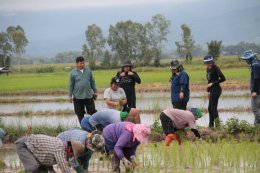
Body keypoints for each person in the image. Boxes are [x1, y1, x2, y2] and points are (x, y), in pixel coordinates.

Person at [15, 134, 85, 173]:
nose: (71, 156)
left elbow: (47, 158)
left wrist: (52, 171)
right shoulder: (60, 148)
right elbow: (64, 167)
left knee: (43, 170)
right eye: (72, 154)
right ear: (70, 150)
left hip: (32, 149)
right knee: (33, 167)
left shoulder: (62, 146)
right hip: (24, 145)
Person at [68, 56, 98, 123]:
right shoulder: (73, 73)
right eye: (81, 63)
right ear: (77, 64)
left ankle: (96, 126)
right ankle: (83, 127)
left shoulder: (88, 71)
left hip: (88, 95)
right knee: (79, 113)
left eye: (83, 63)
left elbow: (92, 81)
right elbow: (71, 85)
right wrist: (70, 96)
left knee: (92, 111)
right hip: (78, 97)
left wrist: (95, 91)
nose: (83, 64)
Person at [204, 55, 226, 128]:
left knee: (213, 108)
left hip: (216, 90)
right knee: (210, 108)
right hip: (211, 90)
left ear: (212, 61)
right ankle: (211, 125)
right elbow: (209, 81)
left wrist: (213, 83)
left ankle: (218, 126)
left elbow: (223, 78)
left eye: (210, 62)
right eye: (207, 63)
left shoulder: (215, 68)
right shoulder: (208, 69)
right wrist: (208, 91)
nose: (209, 64)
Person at [240, 50, 260, 125]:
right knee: (258, 108)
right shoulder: (257, 62)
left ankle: (258, 124)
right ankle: (257, 124)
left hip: (257, 91)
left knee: (254, 108)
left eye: (246, 59)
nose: (246, 61)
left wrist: (254, 91)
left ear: (250, 58)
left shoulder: (255, 65)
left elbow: (256, 79)